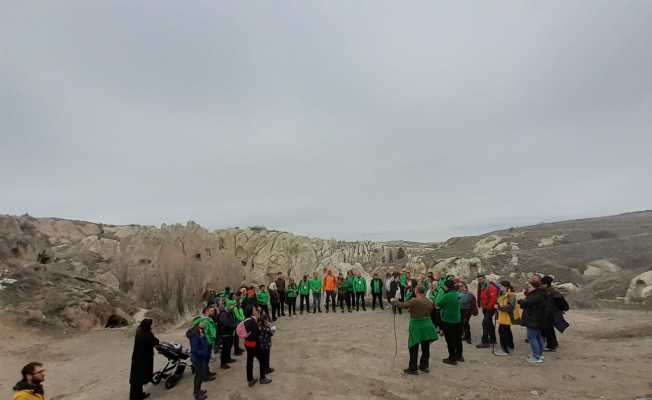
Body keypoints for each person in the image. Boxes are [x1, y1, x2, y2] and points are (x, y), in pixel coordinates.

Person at [391, 285, 438, 375]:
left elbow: (403, 305)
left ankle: (413, 368)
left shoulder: (415, 300)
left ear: (416, 291)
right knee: (425, 347)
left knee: (413, 346)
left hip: (417, 325)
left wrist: (394, 301)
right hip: (428, 325)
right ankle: (424, 366)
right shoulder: (429, 301)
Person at [519, 276, 548, 363]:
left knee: (532, 338)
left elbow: (528, 302)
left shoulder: (537, 295)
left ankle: (536, 356)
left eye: (530, 287)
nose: (528, 288)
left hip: (534, 320)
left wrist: (520, 300)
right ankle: (539, 354)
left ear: (534, 287)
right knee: (538, 337)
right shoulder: (539, 293)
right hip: (537, 319)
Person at [129, 319, 159, 400]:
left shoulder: (139, 331)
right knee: (139, 378)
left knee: (135, 379)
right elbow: (156, 342)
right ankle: (137, 397)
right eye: (150, 325)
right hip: (143, 360)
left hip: (136, 358)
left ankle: (136, 396)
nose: (151, 327)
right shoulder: (147, 335)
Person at [435, 279, 463, 365]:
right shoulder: (457, 294)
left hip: (449, 320)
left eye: (444, 286)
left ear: (447, 286)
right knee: (458, 338)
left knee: (450, 340)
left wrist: (440, 292)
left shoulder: (448, 296)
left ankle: (452, 358)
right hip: (458, 319)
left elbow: (438, 303)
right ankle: (459, 356)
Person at [243, 305, 272, 386]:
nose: (256, 310)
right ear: (251, 311)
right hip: (254, 344)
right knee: (262, 359)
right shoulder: (251, 321)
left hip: (247, 343)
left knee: (249, 361)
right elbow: (256, 333)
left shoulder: (246, 319)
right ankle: (262, 378)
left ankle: (250, 379)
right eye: (254, 309)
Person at [541, 275, 569, 352]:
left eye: (542, 283)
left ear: (546, 284)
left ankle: (552, 346)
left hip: (551, 313)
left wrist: (561, 310)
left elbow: (560, 302)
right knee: (548, 329)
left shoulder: (553, 291)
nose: (541, 285)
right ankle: (553, 344)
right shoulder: (548, 291)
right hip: (548, 313)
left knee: (548, 330)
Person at [187, 318, 210, 400]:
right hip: (197, 359)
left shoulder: (200, 331)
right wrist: (204, 353)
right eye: (202, 322)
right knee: (199, 376)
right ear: (197, 324)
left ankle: (198, 390)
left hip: (200, 358)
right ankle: (196, 394)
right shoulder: (194, 335)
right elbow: (195, 350)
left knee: (199, 376)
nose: (204, 323)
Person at [193, 307, 217, 377]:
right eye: (211, 311)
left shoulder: (208, 319)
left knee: (207, 359)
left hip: (209, 342)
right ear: (206, 312)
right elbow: (204, 333)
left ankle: (207, 372)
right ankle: (205, 375)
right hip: (207, 343)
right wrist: (208, 341)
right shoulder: (204, 321)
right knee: (205, 359)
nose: (213, 312)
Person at [476, 274, 499, 348]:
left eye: (481, 279)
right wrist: (480, 304)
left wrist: (487, 307)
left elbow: (493, 299)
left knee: (485, 323)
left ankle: (485, 341)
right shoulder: (482, 285)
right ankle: (493, 339)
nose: (479, 281)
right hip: (485, 308)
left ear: (484, 278)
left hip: (490, 308)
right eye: (478, 279)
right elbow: (481, 295)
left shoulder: (490, 287)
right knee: (489, 323)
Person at [495, 281, 517, 356]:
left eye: (501, 286)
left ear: (506, 287)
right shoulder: (502, 293)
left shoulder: (511, 294)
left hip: (507, 317)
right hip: (502, 316)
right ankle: (510, 345)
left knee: (502, 332)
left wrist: (499, 307)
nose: (499, 287)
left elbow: (511, 307)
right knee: (507, 331)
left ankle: (504, 350)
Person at [217, 300, 238, 369]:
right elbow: (226, 324)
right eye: (233, 306)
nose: (234, 307)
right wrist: (235, 325)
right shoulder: (223, 314)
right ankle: (223, 363)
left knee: (229, 347)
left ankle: (228, 358)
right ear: (229, 306)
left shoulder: (230, 312)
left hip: (230, 333)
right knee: (225, 349)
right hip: (225, 334)